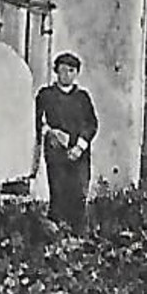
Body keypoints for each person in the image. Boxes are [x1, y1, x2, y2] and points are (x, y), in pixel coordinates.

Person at [34, 52, 97, 231]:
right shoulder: (46, 95)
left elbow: (92, 124)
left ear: (76, 73)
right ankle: (57, 233)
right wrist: (51, 133)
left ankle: (79, 236)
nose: (66, 75)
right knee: (59, 190)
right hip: (56, 152)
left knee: (78, 191)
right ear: (56, 71)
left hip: (79, 153)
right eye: (62, 70)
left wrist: (79, 147)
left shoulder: (82, 98)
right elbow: (36, 120)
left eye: (71, 71)